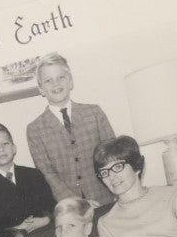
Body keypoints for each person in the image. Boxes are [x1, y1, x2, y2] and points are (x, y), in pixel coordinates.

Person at [25, 53, 117, 206]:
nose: (56, 84)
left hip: (105, 198)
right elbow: (47, 173)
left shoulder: (94, 113)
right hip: (69, 207)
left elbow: (111, 156)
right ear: (41, 89)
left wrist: (113, 189)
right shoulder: (35, 130)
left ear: (70, 82)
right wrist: (75, 202)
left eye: (61, 77)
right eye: (48, 81)